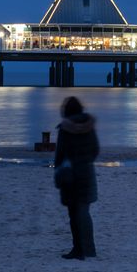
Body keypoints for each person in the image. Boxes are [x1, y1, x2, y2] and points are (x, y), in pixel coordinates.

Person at [54, 96, 100, 260]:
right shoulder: (89, 127)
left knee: (73, 214)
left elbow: (60, 154)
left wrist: (59, 171)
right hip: (86, 173)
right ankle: (90, 249)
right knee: (84, 213)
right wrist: (85, 162)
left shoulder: (65, 129)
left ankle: (78, 249)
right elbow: (95, 150)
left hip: (71, 175)